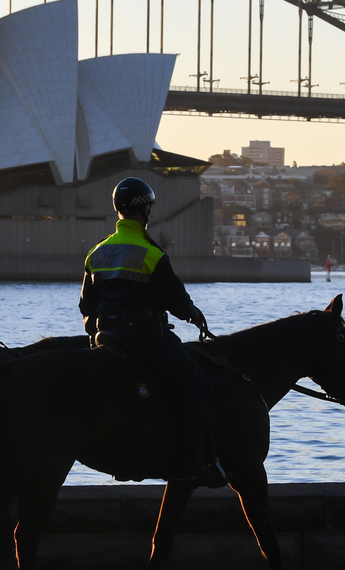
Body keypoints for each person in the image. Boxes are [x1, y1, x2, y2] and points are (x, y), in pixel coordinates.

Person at [79, 177, 224, 484]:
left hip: (106, 339)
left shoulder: (97, 252)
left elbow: (85, 307)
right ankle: (193, 461)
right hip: (144, 341)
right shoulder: (152, 253)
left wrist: (96, 335)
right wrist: (195, 315)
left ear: (118, 209)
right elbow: (177, 302)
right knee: (202, 387)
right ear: (145, 210)